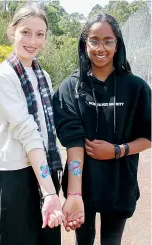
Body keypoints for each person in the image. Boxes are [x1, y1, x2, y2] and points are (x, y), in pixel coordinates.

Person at [53, 14, 151, 245]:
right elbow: (73, 140)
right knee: (83, 241)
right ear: (84, 43)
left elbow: (148, 136)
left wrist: (118, 150)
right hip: (83, 185)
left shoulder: (136, 87)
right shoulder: (71, 87)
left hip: (120, 184)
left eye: (108, 41)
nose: (101, 48)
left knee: (112, 241)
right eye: (94, 40)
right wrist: (75, 194)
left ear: (117, 45)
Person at [0, 5, 64, 245]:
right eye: (26, 32)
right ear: (12, 32)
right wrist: (49, 192)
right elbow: (29, 132)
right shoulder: (1, 78)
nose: (33, 41)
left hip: (44, 171)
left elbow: (49, 130)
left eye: (40, 34)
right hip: (15, 178)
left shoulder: (43, 76)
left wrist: (51, 187)